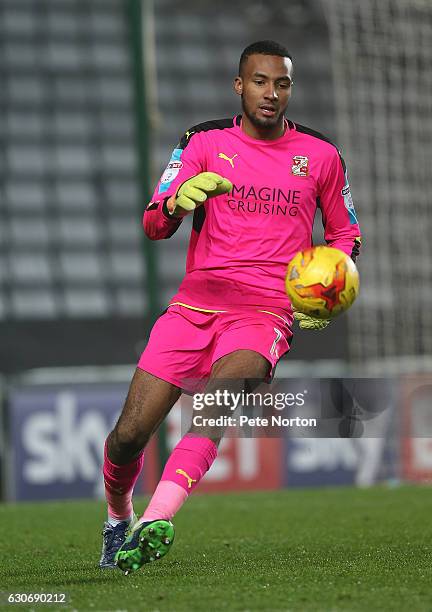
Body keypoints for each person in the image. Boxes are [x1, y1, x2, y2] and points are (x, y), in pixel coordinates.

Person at [99, 40, 361, 573]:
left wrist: (330, 280)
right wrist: (175, 202)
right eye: (260, 81)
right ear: (239, 86)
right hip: (194, 307)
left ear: (290, 89)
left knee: (218, 399)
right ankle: (118, 518)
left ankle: (156, 519)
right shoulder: (202, 142)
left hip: (265, 312)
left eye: (281, 83)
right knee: (128, 436)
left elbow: (345, 232)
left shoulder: (323, 155)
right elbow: (153, 224)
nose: (271, 93)